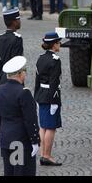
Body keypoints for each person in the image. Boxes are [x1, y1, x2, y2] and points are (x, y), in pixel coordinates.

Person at [0, 56, 40, 176]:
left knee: (9, 172)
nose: (25, 74)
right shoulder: (24, 92)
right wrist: (35, 140)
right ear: (20, 74)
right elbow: (30, 120)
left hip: (6, 138)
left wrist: (4, 131)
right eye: (24, 71)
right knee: (21, 172)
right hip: (19, 142)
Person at [34, 32, 63, 166]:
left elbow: (37, 80)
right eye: (58, 42)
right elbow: (54, 82)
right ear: (54, 44)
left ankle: (42, 154)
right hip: (51, 96)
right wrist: (54, 100)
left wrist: (36, 96)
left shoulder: (40, 58)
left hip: (41, 94)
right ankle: (47, 156)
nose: (60, 44)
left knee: (43, 127)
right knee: (50, 127)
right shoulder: (55, 60)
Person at [0, 9, 23, 86]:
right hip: (14, 79)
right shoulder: (17, 39)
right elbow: (17, 62)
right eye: (18, 19)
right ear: (14, 22)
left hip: (2, 78)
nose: (20, 21)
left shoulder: (0, 39)